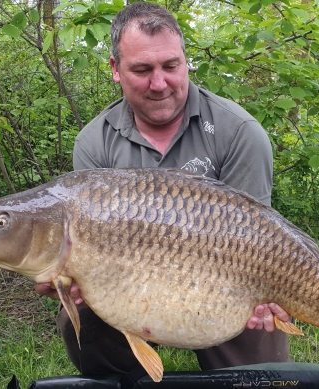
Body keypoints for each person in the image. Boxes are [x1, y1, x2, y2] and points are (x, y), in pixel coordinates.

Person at [34, 2, 291, 382]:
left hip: (224, 283)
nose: (160, 83)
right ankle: (123, 379)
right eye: (142, 70)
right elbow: (85, 245)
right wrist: (71, 277)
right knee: (84, 316)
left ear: (186, 62)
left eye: (171, 66)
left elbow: (259, 239)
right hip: (128, 283)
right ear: (115, 70)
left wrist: (274, 292)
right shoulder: (94, 143)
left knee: (260, 346)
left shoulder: (238, 132)